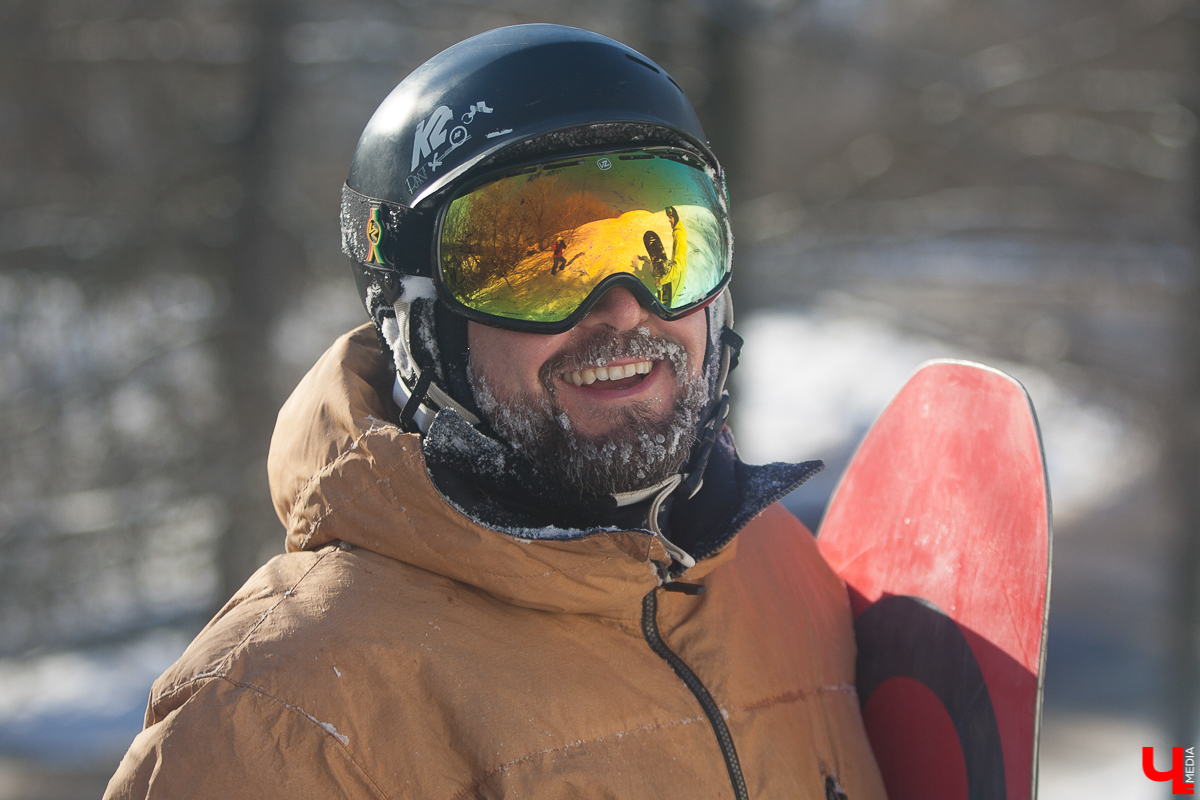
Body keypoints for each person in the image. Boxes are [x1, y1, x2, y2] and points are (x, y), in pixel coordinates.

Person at [104, 25, 885, 800]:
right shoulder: (278, 717)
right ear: (418, 326)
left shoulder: (785, 575)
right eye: (537, 267)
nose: (623, 309)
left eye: (663, 246)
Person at [662, 205, 687, 305]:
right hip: (675, 280)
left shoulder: (679, 235)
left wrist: (662, 280)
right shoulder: (678, 233)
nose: (669, 220)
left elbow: (678, 264)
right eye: (668, 217)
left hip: (675, 283)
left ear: (676, 218)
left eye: (671, 217)